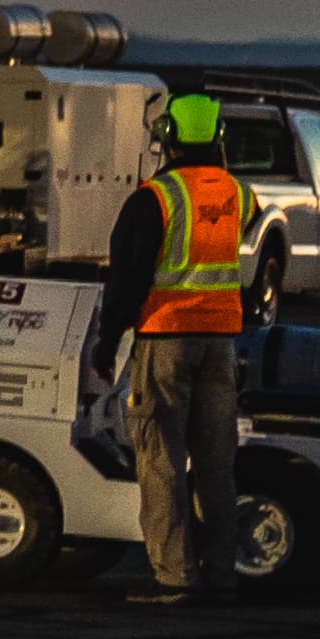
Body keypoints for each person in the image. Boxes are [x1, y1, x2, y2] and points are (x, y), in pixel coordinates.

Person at [92, 91, 256, 603]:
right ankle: (222, 575)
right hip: (222, 343)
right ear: (217, 137)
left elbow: (128, 278)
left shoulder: (155, 198)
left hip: (166, 340)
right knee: (215, 464)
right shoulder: (240, 195)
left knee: (161, 461)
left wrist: (108, 338)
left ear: (168, 138)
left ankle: (173, 579)